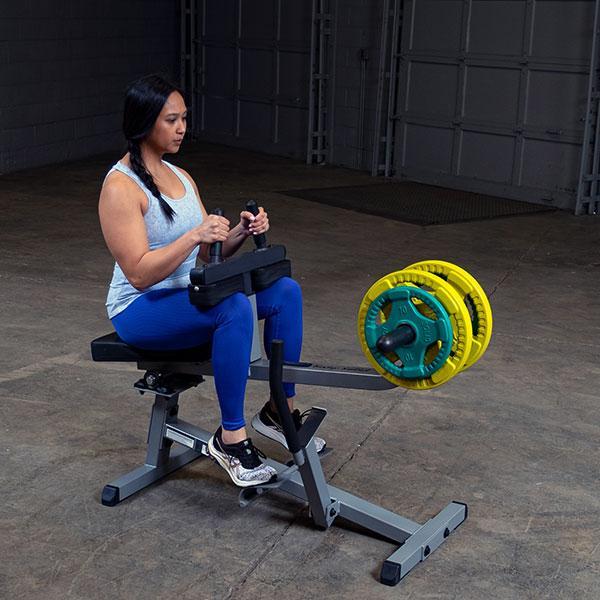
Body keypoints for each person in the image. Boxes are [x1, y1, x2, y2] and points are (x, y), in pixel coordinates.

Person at [98, 74, 325, 488]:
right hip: (139, 308)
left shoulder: (181, 176)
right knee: (233, 306)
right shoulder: (120, 187)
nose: (181, 127)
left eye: (184, 118)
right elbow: (139, 272)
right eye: (171, 119)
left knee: (285, 292)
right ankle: (231, 437)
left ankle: (280, 408)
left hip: (188, 294)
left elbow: (205, 255)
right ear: (145, 123)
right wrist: (192, 235)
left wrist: (240, 229)